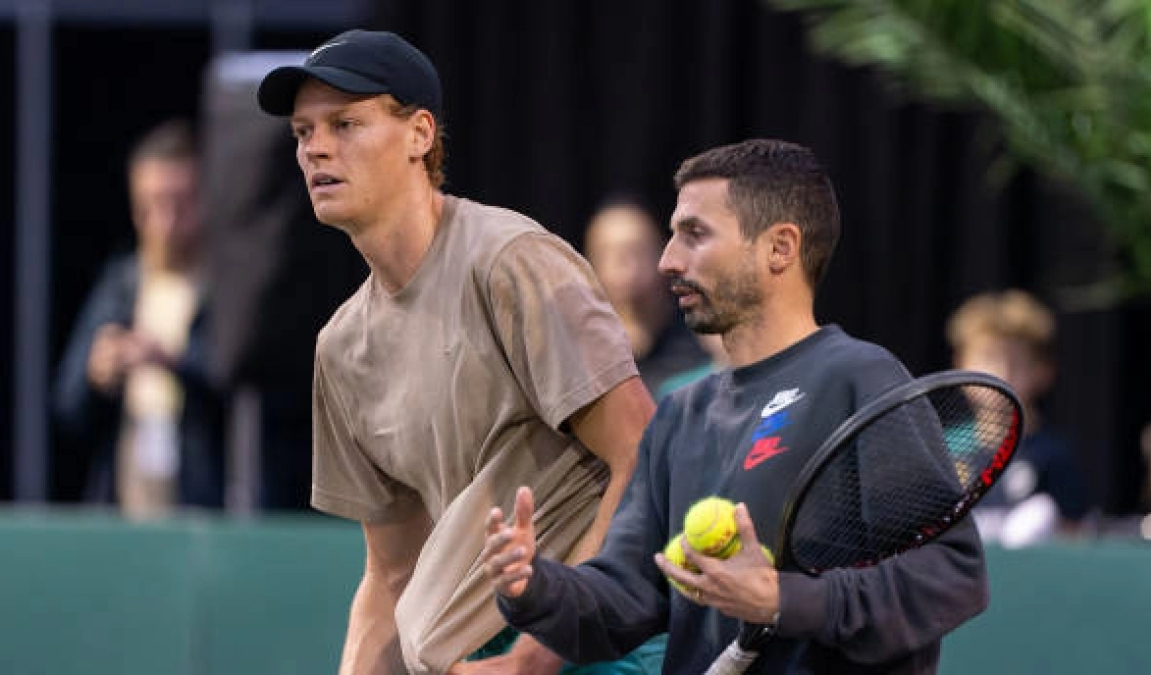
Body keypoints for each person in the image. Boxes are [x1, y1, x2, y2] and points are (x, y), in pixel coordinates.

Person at [481, 139, 988, 673]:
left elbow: (950, 577)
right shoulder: (678, 413)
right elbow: (623, 598)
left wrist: (782, 600)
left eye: (695, 235)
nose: (667, 261)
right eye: (673, 235)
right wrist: (534, 585)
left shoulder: (859, 378)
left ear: (780, 248)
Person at [255, 29, 658, 674]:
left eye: (346, 123)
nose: (317, 148)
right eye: (303, 132)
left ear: (419, 135)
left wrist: (538, 656)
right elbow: (391, 574)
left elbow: (641, 454)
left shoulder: (509, 261)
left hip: (601, 643)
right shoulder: (340, 347)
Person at [53, 119, 225, 517]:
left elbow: (247, 393)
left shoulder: (224, 288)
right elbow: (67, 405)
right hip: (126, 495)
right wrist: (96, 373)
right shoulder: (122, 284)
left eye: (180, 205)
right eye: (152, 206)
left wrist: (172, 362)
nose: (165, 224)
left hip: (205, 502)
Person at [947, 289, 1090, 545]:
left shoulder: (1054, 455)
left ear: (1043, 371)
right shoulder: (944, 451)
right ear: (960, 366)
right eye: (988, 359)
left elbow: (1075, 537)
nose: (1001, 373)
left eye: (1016, 363)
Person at [584, 200, 710, 394]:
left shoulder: (701, 340)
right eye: (609, 253)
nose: (624, 264)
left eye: (636, 251)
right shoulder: (578, 360)